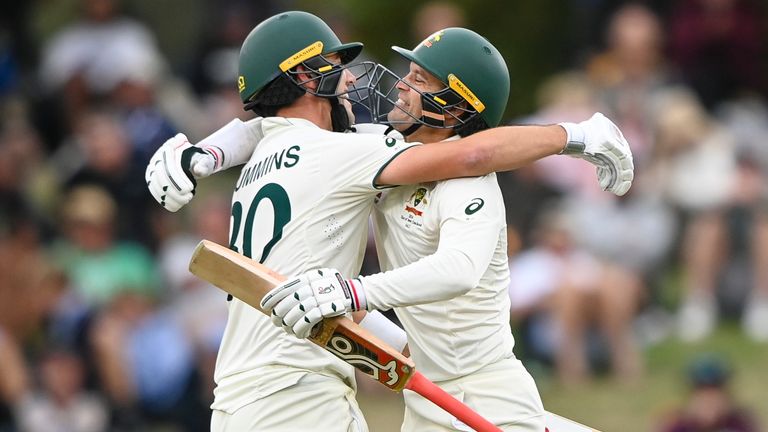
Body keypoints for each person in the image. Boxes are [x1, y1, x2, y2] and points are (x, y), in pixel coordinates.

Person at [145, 11, 633, 432]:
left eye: (419, 80)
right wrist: (205, 150)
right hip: (327, 393)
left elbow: (463, 225)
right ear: (306, 79)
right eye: (340, 69)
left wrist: (578, 134)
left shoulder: (456, 177)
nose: (384, 83)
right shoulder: (353, 154)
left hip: (478, 389)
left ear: (456, 106)